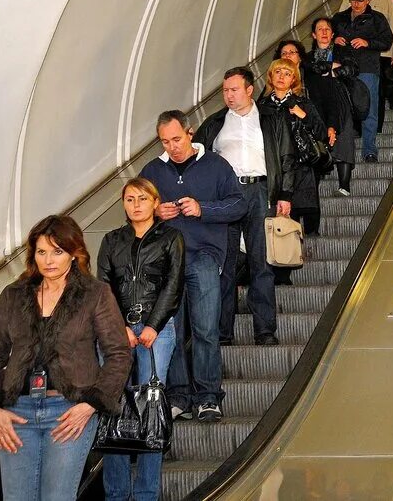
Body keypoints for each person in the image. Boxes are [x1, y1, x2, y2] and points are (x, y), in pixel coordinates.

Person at [0, 216, 131, 501]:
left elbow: (118, 354)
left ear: (74, 253)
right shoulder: (13, 295)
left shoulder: (95, 294)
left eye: (57, 251)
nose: (48, 260)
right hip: (16, 413)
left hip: (68, 413)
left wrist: (91, 404)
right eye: (41, 252)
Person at [140, 110, 244, 422]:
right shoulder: (153, 171)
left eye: (176, 139)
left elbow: (239, 204)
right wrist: (157, 213)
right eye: (164, 141)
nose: (171, 146)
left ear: (190, 132)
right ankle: (179, 396)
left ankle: (209, 396)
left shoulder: (216, 165)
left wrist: (203, 208)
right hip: (166, 262)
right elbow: (134, 209)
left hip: (204, 258)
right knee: (171, 331)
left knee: (205, 328)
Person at [194, 67, 298, 348]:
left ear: (249, 90)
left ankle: (264, 330)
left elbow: (287, 157)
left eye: (234, 89)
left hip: (259, 191)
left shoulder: (271, 119)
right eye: (225, 90)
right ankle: (224, 333)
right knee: (225, 265)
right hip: (226, 196)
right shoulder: (216, 123)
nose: (228, 95)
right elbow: (197, 157)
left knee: (260, 263)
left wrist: (285, 195)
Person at [97, 179, 185, 501]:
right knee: (113, 407)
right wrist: (118, 327)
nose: (136, 204)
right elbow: (103, 287)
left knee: (152, 411)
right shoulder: (111, 240)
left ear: (155, 202)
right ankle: (116, 494)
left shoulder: (171, 238)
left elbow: (173, 285)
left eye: (142, 198)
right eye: (130, 199)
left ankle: (147, 493)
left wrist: (152, 325)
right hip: (115, 334)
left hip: (157, 333)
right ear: (123, 203)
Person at [261, 59, 328, 284]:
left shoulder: (302, 103)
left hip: (300, 167)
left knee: (296, 215)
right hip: (272, 169)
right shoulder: (261, 107)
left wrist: (302, 115)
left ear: (294, 79)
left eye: (287, 73)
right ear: (270, 77)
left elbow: (320, 131)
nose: (281, 76)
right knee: (278, 218)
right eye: (277, 72)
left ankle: (294, 259)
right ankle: (282, 270)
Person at [332, 0, 393, 162]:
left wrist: (367, 42)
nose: (356, 4)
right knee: (343, 109)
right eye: (353, 0)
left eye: (360, 0)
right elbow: (324, 35)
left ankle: (369, 149)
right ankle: (343, 151)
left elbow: (387, 41)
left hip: (367, 68)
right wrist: (334, 40)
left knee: (369, 108)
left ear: (368, 0)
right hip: (342, 68)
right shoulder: (339, 18)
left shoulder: (377, 19)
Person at [344, 0, 393, 132]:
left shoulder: (386, 0)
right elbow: (339, 25)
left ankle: (376, 127)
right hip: (354, 56)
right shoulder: (346, 1)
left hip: (381, 54)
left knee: (377, 93)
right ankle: (357, 128)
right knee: (355, 92)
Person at [305, 18, 358, 194]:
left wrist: (331, 71)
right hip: (317, 102)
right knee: (318, 139)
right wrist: (331, 67)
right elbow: (310, 69)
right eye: (320, 29)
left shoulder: (342, 51)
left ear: (333, 33)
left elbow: (351, 70)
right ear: (314, 34)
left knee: (345, 136)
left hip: (341, 99)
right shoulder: (308, 57)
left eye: (327, 29)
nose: (324, 32)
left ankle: (344, 185)